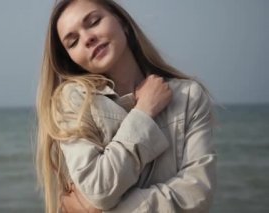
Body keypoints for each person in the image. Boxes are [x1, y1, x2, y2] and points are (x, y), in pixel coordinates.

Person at [35, 0, 217, 212]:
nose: (87, 38)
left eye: (93, 22)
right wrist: (143, 113)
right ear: (72, 59)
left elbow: (200, 195)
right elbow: (100, 189)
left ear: (122, 22)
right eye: (73, 42)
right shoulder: (73, 102)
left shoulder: (188, 96)